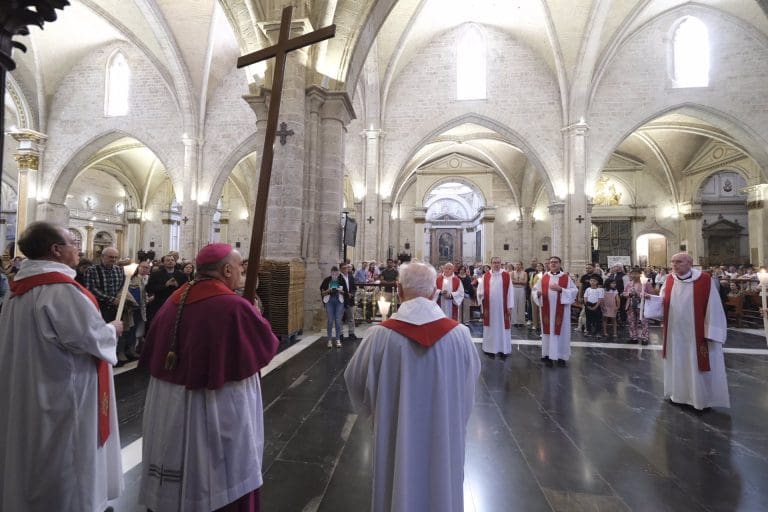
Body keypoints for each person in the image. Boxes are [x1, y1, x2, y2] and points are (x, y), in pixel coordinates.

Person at [139, 243, 279, 511]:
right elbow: (265, 346)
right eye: (239, 268)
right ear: (227, 269)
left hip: (170, 405)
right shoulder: (232, 306)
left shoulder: (174, 299)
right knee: (215, 472)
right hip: (215, 405)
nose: (241, 273)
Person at [0, 222, 124, 511]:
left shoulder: (17, 291)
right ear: (56, 250)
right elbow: (90, 337)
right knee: (66, 456)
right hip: (62, 395)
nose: (78, 247)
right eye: (73, 242)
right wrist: (112, 329)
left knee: (31, 452)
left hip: (28, 389)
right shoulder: (61, 291)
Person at [344, 261, 480, 512]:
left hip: (394, 433)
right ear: (433, 292)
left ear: (400, 290)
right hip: (444, 434)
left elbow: (355, 380)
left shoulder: (380, 336)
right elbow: (468, 387)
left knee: (396, 486)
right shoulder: (460, 335)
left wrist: (377, 413)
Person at [660, 253, 729, 410]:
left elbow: (714, 306)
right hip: (675, 333)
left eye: (679, 262)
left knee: (696, 365)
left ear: (690, 263)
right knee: (677, 362)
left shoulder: (704, 280)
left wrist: (711, 331)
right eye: (672, 262)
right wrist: (651, 302)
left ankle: (700, 400)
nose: (674, 265)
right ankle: (678, 396)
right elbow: (663, 302)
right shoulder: (670, 279)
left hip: (696, 333)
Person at [532, 256, 578, 367]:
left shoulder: (565, 278)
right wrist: (537, 294)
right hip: (546, 310)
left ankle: (561, 356)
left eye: (555, 262)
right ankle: (547, 355)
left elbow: (574, 291)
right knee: (547, 333)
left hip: (561, 311)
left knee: (562, 332)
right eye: (551, 262)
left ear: (560, 264)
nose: (553, 264)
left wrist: (561, 289)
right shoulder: (544, 277)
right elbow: (535, 290)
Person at [476, 256, 515, 358]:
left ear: (500, 264)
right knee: (490, 327)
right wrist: (480, 295)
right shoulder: (486, 276)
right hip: (490, 307)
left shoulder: (506, 275)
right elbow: (480, 290)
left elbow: (510, 291)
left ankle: (503, 349)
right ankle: (489, 348)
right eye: (494, 262)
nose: (496, 264)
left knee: (503, 327)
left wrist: (510, 306)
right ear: (491, 264)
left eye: (498, 262)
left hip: (503, 308)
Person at [85, 246, 125, 323]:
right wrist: (111, 299)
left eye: (115, 257)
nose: (113, 259)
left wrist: (119, 298)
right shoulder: (92, 270)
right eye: (111, 257)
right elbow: (91, 289)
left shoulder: (119, 270)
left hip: (115, 308)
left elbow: (122, 286)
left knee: (116, 331)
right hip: (99, 307)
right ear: (102, 256)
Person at [145, 254, 188, 324]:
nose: (170, 262)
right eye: (168, 260)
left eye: (172, 260)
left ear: (175, 262)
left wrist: (177, 285)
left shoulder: (181, 275)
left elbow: (186, 288)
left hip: (176, 303)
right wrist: (165, 285)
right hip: (160, 303)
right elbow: (149, 288)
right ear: (163, 262)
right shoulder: (156, 274)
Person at [320, 265, 349, 348]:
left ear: (338, 273)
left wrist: (341, 291)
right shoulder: (327, 280)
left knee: (338, 320)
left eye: (336, 274)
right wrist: (328, 290)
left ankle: (337, 339)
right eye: (333, 274)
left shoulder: (341, 279)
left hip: (339, 301)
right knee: (330, 320)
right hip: (329, 301)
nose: (334, 275)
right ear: (331, 273)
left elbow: (346, 292)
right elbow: (322, 292)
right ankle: (329, 340)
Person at [624, 267, 653, 345]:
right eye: (632, 274)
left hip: (642, 305)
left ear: (640, 274)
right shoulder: (629, 284)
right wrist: (628, 294)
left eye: (636, 274)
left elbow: (651, 294)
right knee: (632, 321)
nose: (633, 275)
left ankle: (645, 337)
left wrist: (645, 295)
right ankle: (634, 337)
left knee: (644, 322)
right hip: (631, 304)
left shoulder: (646, 283)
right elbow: (624, 293)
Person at [340, 263, 360, 341]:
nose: (346, 269)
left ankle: (351, 333)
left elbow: (354, 287)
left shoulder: (351, 277)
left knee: (351, 317)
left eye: (347, 268)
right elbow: (338, 289)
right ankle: (340, 334)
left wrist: (352, 293)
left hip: (350, 300)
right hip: (341, 300)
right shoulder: (338, 278)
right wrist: (346, 294)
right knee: (340, 318)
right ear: (341, 269)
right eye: (344, 268)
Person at [510, 262, 528, 327]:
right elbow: (511, 281)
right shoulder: (512, 273)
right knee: (514, 305)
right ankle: (514, 321)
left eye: (519, 264)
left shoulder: (525, 273)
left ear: (521, 266)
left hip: (521, 289)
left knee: (521, 304)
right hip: (514, 289)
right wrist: (520, 282)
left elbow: (525, 282)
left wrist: (516, 282)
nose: (517, 266)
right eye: (516, 264)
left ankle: (521, 321)